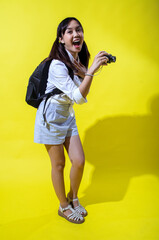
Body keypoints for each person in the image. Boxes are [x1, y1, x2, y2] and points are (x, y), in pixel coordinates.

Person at [34, 17, 109, 224]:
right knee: (59, 165)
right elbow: (78, 96)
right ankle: (63, 206)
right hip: (50, 118)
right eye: (69, 31)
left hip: (66, 115)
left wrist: (88, 71)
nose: (76, 34)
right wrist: (90, 72)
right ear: (61, 38)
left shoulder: (75, 61)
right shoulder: (57, 65)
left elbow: (81, 98)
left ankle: (73, 198)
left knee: (79, 161)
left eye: (79, 30)